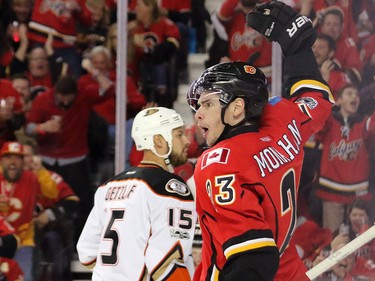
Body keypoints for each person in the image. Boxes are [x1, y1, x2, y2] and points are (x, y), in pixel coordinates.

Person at [187, 1, 335, 280]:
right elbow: (317, 99)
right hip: (290, 272)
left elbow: (253, 258)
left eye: (206, 104)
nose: (198, 115)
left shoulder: (218, 163)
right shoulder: (283, 120)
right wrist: (297, 48)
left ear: (237, 107)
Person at [77, 107, 197, 280]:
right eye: (179, 134)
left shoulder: (108, 187)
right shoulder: (169, 187)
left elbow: (87, 253)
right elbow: (166, 261)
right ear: (159, 141)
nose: (186, 141)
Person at [315, 84, 375, 233]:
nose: (355, 97)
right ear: (339, 100)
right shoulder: (330, 121)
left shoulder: (363, 123)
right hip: (331, 190)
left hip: (358, 193)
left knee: (361, 239)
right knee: (332, 238)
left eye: (356, 94)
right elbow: (318, 118)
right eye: (349, 93)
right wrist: (325, 83)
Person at [0, 142, 41, 281]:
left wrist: (42, 212)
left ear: (23, 162)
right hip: (1, 240)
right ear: (1, 160)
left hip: (23, 240)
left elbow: (46, 200)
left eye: (17, 158)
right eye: (8, 157)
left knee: (26, 277)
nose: (12, 162)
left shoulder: (33, 178)